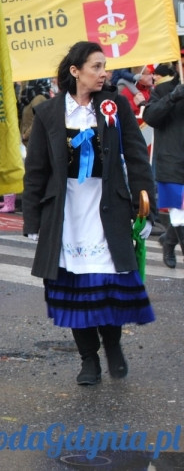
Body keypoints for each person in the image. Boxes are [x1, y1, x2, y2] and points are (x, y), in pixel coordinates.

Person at [23, 41, 155, 386]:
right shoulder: (50, 113)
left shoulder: (114, 106)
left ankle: (113, 347)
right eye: (96, 67)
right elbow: (36, 169)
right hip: (66, 212)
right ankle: (88, 360)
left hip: (105, 207)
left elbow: (138, 156)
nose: (104, 73)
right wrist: (33, 220)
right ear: (75, 71)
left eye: (104, 66)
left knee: (108, 285)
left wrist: (146, 208)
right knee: (74, 289)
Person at [141, 62, 184, 269]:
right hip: (173, 166)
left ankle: (168, 239)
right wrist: (173, 97)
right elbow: (150, 116)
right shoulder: (165, 90)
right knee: (181, 216)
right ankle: (170, 240)